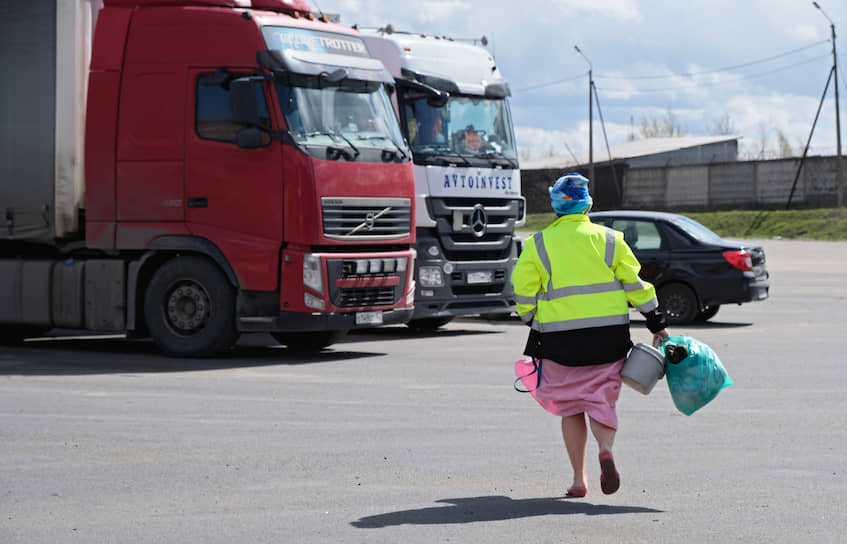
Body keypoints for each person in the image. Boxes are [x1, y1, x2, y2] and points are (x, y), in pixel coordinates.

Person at [512, 173, 669, 497]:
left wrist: (533, 320)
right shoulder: (611, 240)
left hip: (559, 342)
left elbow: (523, 291)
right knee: (600, 400)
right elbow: (636, 286)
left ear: (557, 205)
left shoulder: (537, 244)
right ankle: (606, 450)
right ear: (588, 204)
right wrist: (656, 323)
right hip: (608, 341)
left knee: (570, 408)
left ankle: (579, 480)